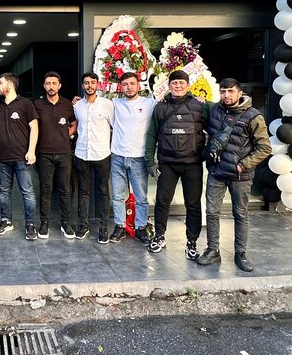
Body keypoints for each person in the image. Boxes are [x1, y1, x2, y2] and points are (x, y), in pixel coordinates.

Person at [197, 77, 271, 272]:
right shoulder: (214, 109)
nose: (226, 95)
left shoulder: (253, 116)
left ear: (240, 93)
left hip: (240, 176)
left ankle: (241, 253)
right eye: (223, 91)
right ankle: (213, 250)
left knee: (240, 213)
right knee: (212, 212)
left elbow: (264, 148)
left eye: (230, 91)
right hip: (216, 171)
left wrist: (242, 165)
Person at [144, 69, 208, 260]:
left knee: (193, 204)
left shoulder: (200, 106)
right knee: (162, 202)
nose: (178, 86)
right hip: (167, 164)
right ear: (169, 85)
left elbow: (218, 119)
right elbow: (152, 135)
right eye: (174, 83)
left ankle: (192, 242)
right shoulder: (160, 107)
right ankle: (159, 236)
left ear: (188, 85)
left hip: (192, 164)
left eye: (181, 83)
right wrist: (150, 161)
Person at [109, 71, 156, 245]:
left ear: (138, 85)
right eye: (125, 85)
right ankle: (120, 226)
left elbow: (170, 100)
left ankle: (140, 227)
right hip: (118, 157)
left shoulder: (150, 103)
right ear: (120, 87)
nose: (128, 87)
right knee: (118, 196)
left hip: (139, 157)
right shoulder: (114, 103)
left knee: (141, 196)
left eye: (131, 84)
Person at [0, 72, 39, 240]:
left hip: (22, 157)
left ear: (10, 85)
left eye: (0, 83)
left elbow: (34, 128)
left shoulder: (26, 104)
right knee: (3, 191)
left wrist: (31, 150)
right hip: (2, 158)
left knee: (27, 192)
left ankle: (30, 224)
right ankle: (6, 221)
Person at [34, 71, 76, 239]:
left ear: (59, 85)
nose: (51, 86)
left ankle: (65, 223)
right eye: (48, 83)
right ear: (44, 86)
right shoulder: (37, 104)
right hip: (44, 154)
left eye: (54, 83)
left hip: (64, 153)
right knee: (45, 190)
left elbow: (74, 124)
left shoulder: (67, 104)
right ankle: (44, 224)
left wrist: (66, 135)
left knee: (65, 190)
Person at [73, 71, 114, 243]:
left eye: (92, 82)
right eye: (86, 83)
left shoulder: (107, 105)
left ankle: (103, 228)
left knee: (103, 191)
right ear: (82, 85)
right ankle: (83, 225)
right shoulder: (77, 106)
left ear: (97, 84)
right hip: (82, 153)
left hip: (102, 154)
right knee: (83, 191)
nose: (89, 86)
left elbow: (115, 127)